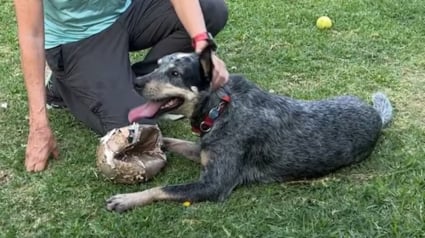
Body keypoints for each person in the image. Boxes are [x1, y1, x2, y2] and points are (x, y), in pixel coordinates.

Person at [14, 0, 229, 172]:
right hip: (78, 37)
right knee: (137, 129)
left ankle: (131, 82)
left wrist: (202, 43)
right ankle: (63, 86)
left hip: (129, 10)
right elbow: (31, 36)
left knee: (210, 10)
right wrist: (38, 126)